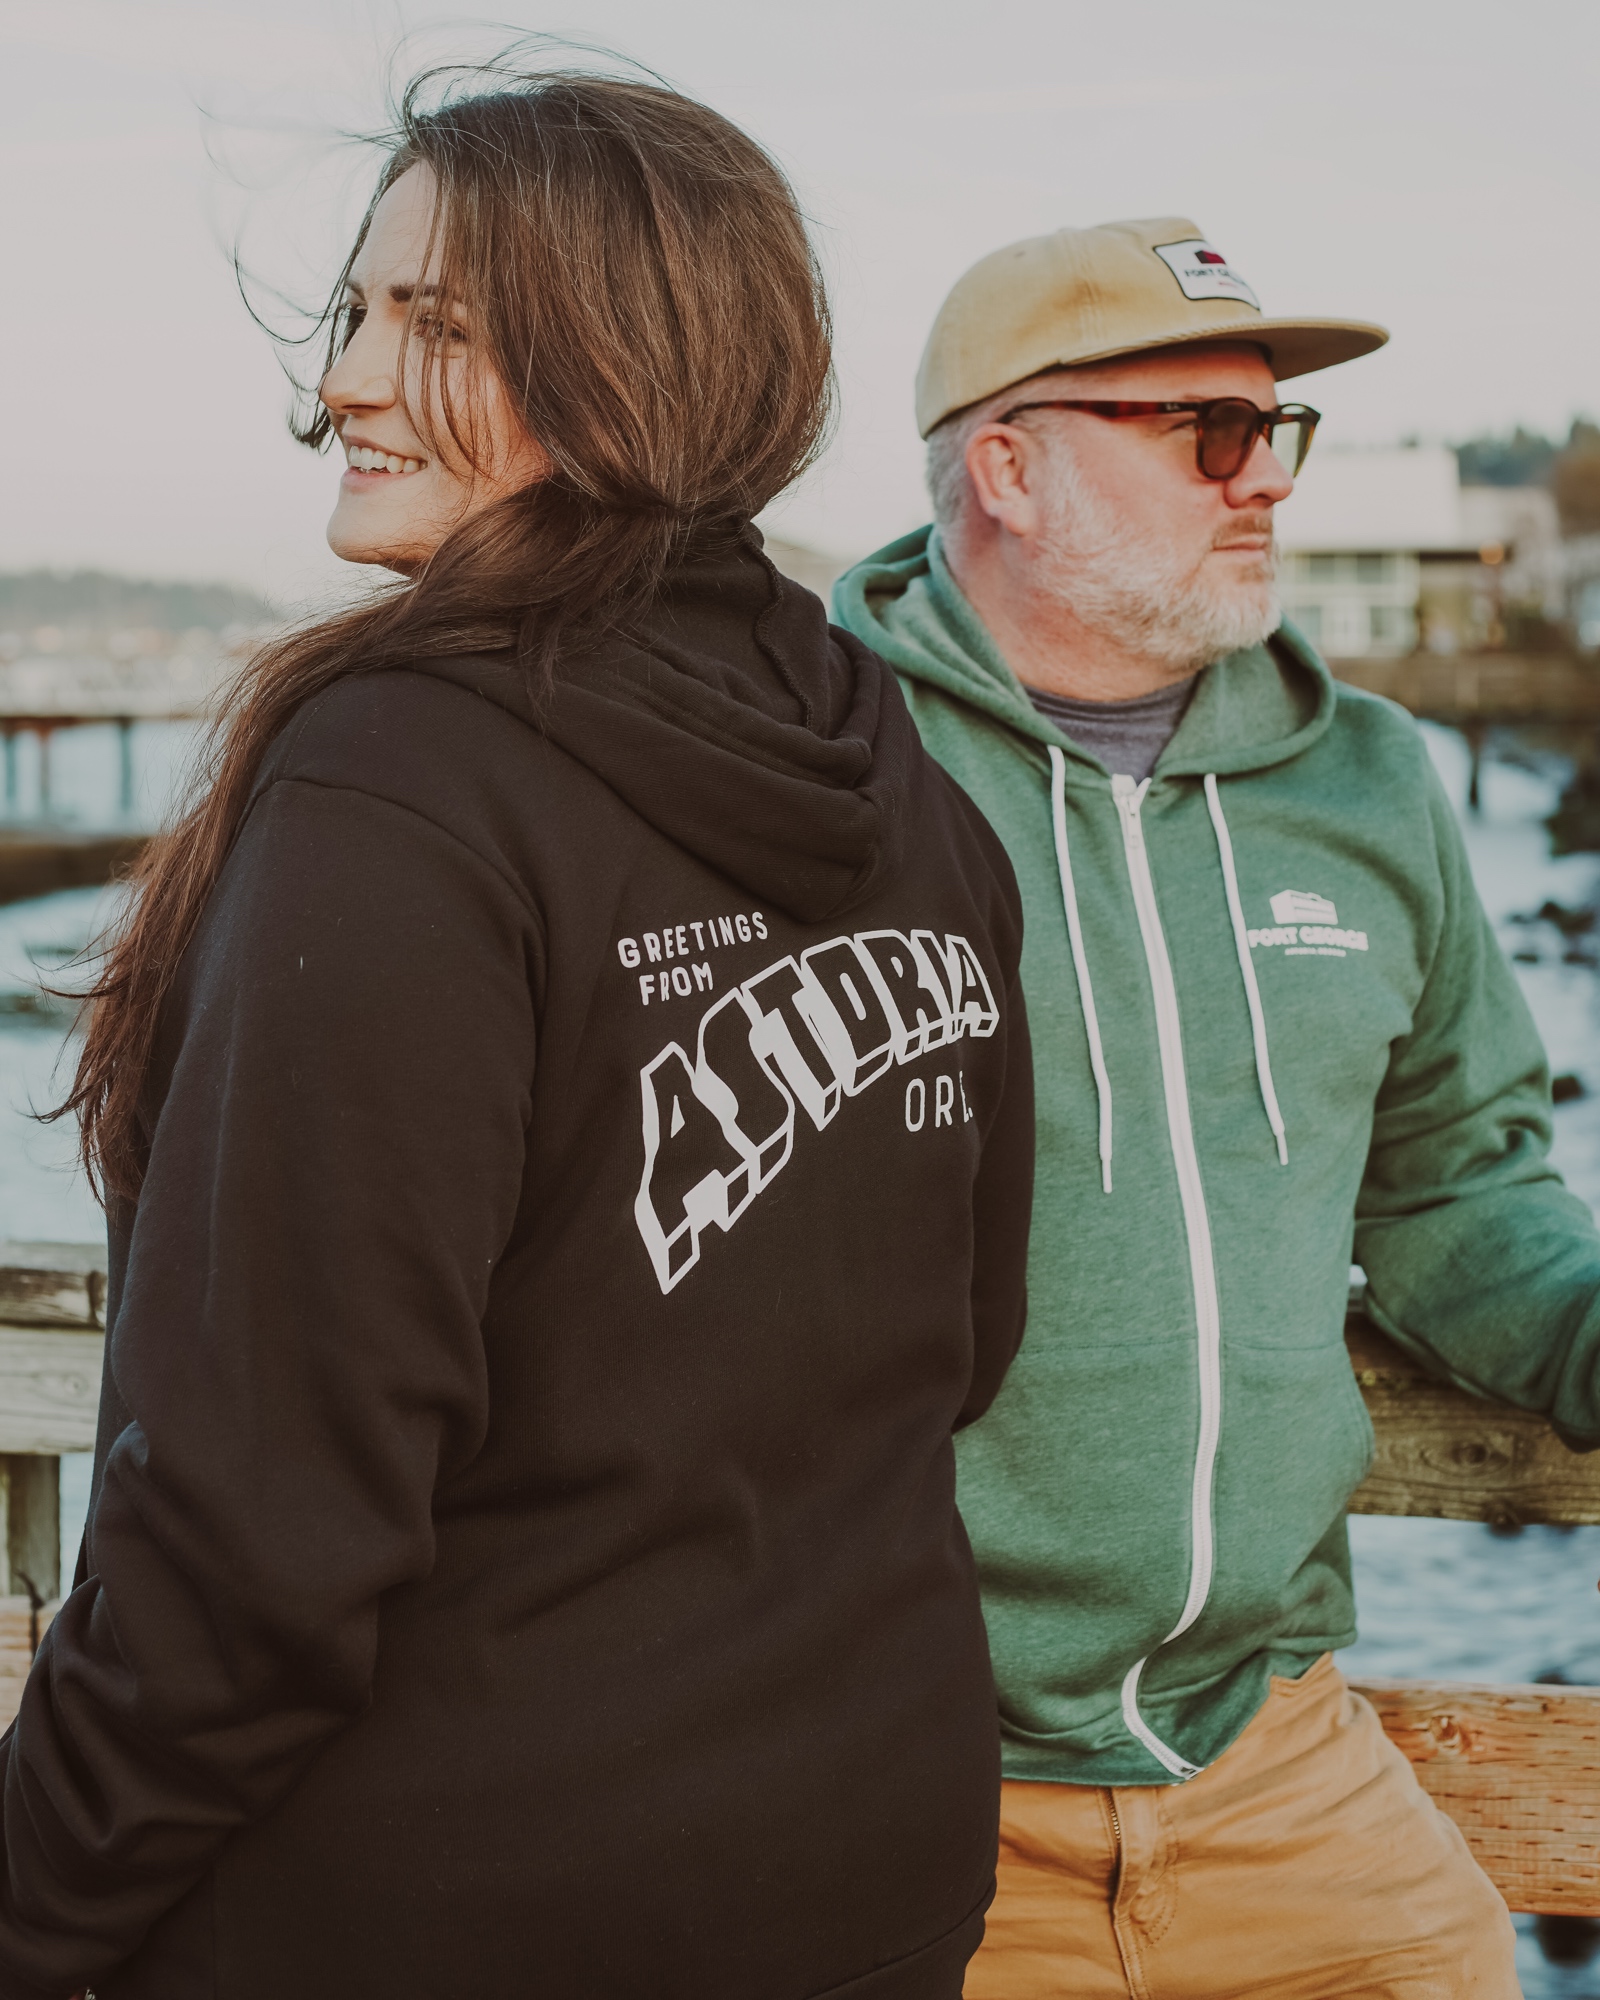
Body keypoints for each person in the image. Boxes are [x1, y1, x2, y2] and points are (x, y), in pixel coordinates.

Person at [0, 68, 1036, 2000]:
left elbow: (254, 1546)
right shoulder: (893, 769)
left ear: (630, 359)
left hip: (460, 1913)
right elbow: (963, 1344)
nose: (344, 383)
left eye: (439, 325)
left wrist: (31, 1903)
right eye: (356, 313)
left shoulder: (400, 784)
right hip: (870, 1871)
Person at [833, 215, 1600, 1996]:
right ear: (1008, 468)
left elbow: (1452, 1184)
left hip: (1278, 1757)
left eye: (1279, 430)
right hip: (898, 1772)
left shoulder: (1373, 778)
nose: (1267, 480)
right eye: (1211, 432)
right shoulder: (807, 773)